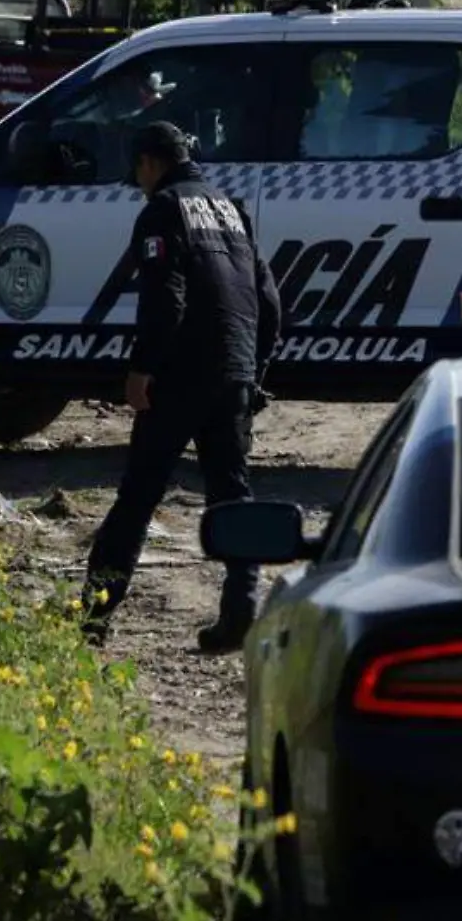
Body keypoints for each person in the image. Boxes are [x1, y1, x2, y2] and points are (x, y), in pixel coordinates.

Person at [81, 121, 281, 653]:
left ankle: (92, 616)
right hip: (234, 370)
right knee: (232, 498)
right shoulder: (231, 210)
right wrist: (252, 370)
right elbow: (270, 301)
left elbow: (165, 297)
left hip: (181, 374)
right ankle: (241, 613)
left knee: (139, 494)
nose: (140, 183)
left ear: (150, 163)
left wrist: (141, 368)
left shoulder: (164, 209)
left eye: (139, 172)